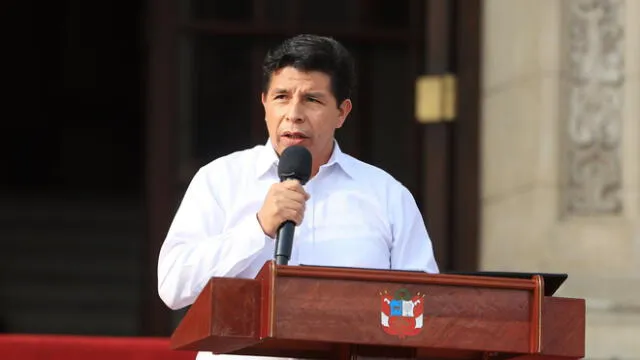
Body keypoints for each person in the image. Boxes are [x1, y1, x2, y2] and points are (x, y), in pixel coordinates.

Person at [157, 34, 439, 360]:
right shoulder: (220, 180)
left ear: (342, 113)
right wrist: (258, 229)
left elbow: (423, 306)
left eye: (312, 100)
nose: (294, 114)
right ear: (264, 103)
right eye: (281, 97)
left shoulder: (386, 195)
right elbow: (173, 286)